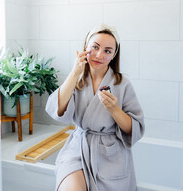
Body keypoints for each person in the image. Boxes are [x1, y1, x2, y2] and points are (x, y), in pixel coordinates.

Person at [45, 24, 145, 191]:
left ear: (114, 55)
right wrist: (74, 73)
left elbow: (134, 129)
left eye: (107, 51)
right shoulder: (77, 80)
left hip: (110, 154)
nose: (99, 55)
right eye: (95, 47)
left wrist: (115, 110)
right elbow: (58, 111)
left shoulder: (123, 84)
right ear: (86, 47)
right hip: (78, 148)